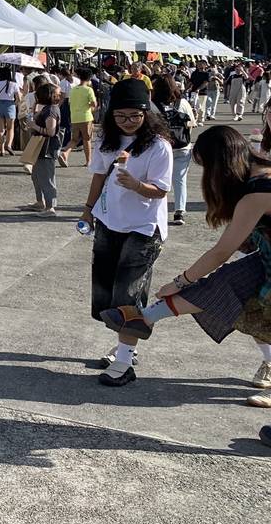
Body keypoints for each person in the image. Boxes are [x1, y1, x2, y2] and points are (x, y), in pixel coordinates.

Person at [94, 127, 271, 417]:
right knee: (227, 283)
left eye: (207, 168)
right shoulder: (259, 171)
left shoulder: (258, 193)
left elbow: (221, 251)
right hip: (265, 257)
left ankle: (144, 318)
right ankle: (146, 318)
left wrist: (181, 281)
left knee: (252, 305)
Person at [78, 78, 173, 386]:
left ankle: (124, 362)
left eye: (135, 116)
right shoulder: (108, 140)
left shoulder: (159, 146)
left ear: (147, 114)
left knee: (128, 295)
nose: (128, 122)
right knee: (106, 294)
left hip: (144, 229)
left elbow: (160, 191)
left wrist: (137, 186)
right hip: (109, 222)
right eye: (121, 116)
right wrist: (88, 211)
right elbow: (97, 178)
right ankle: (123, 347)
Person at [152, 75, 197, 227]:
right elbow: (192, 123)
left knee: (157, 179)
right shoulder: (182, 102)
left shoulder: (152, 104)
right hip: (182, 146)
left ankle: (157, 210)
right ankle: (179, 211)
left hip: (160, 147)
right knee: (180, 180)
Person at [26, 83, 61, 217]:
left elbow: (51, 132)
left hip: (46, 147)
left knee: (46, 178)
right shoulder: (48, 108)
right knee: (37, 175)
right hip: (41, 147)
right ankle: (40, 202)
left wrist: (34, 126)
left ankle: (50, 207)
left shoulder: (51, 110)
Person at [62, 66, 98, 168]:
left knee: (74, 139)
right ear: (89, 78)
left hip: (74, 117)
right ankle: (88, 161)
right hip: (86, 117)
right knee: (87, 139)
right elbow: (94, 104)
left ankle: (65, 153)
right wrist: (91, 106)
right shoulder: (88, 90)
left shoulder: (73, 90)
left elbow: (69, 102)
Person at [0, 67, 21, 156]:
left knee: (1, 129)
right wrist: (14, 105)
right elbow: (19, 98)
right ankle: (8, 145)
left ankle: (2, 149)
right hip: (10, 105)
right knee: (10, 128)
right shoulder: (14, 84)